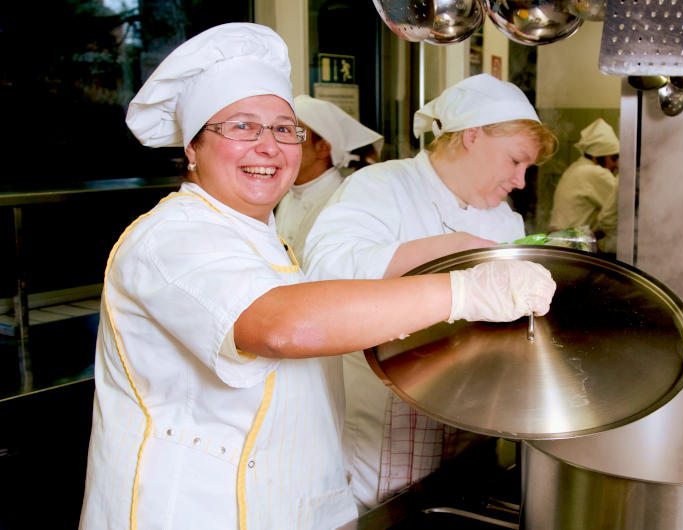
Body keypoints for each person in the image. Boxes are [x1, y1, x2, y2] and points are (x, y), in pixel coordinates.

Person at [79, 24, 556, 530]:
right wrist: (464, 288)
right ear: (192, 149)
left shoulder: (265, 243)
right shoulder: (169, 236)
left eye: (285, 129)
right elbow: (282, 327)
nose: (268, 147)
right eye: (241, 127)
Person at [302, 73, 558, 511]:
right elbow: (324, 271)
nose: (520, 181)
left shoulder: (505, 220)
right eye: (516, 161)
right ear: (472, 137)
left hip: (472, 434)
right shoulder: (383, 186)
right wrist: (449, 247)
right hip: (381, 446)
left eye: (527, 169)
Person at [275, 96, 383, 258]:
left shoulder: (343, 203)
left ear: (323, 148)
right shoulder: (286, 196)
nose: (277, 144)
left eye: (293, 133)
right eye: (279, 132)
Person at [548, 117, 620, 253]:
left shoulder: (576, 168)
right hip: (571, 247)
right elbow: (622, 207)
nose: (616, 165)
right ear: (598, 156)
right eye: (613, 158)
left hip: (557, 243)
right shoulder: (595, 173)